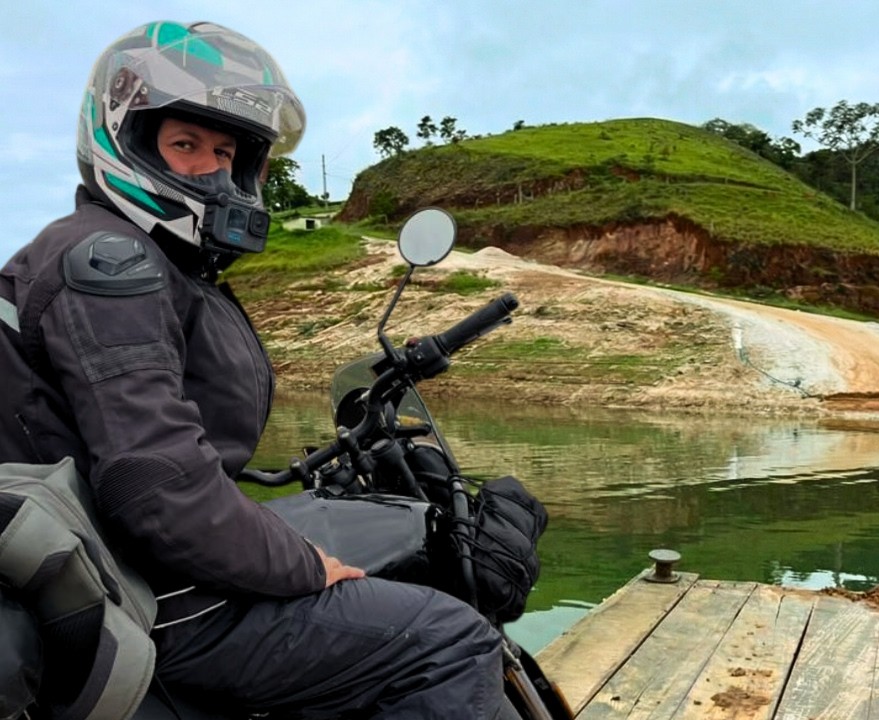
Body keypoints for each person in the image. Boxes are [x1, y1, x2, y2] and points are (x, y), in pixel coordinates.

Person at [0, 21, 514, 719]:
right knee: (451, 641)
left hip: (125, 568)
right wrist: (304, 565)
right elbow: (157, 481)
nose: (213, 170)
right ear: (124, 139)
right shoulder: (110, 263)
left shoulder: (149, 260)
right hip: (154, 598)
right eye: (185, 146)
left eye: (227, 152)